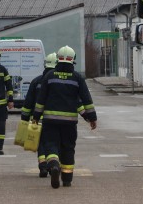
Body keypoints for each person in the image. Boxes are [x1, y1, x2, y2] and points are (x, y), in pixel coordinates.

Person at [32, 45, 97, 189]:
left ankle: (54, 165)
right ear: (73, 60)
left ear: (58, 60)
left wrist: (36, 116)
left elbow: (41, 100)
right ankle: (67, 179)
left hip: (50, 121)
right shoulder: (77, 78)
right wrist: (91, 118)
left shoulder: (49, 77)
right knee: (68, 148)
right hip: (69, 123)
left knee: (50, 145)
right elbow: (86, 99)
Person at [20, 52, 57, 177]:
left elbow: (28, 102)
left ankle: (42, 167)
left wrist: (24, 119)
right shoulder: (57, 82)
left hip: (36, 119)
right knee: (53, 143)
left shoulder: (36, 81)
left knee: (40, 144)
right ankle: (53, 166)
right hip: (53, 119)